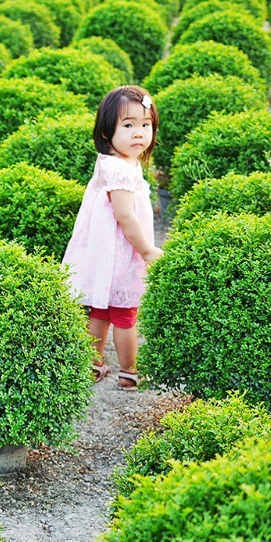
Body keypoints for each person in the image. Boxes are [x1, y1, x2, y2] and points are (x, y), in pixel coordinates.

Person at [61, 85, 163, 390]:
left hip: (104, 252)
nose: (139, 133)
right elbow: (125, 216)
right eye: (128, 126)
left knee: (101, 310)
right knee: (125, 314)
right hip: (121, 253)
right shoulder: (120, 170)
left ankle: (94, 364)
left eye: (145, 125)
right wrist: (147, 250)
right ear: (107, 132)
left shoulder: (115, 161)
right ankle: (129, 372)